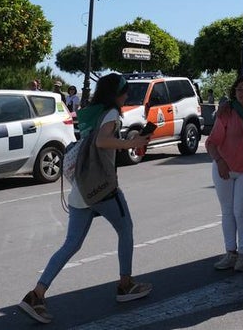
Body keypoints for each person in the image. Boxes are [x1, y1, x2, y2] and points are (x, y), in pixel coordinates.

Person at [17, 73, 153, 324]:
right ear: (117, 93)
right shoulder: (111, 113)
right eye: (124, 91)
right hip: (102, 187)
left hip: (83, 188)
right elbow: (102, 141)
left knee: (71, 244)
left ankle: (36, 294)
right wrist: (131, 142)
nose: (126, 95)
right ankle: (125, 285)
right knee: (126, 229)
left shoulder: (91, 111)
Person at [207, 74, 243, 272]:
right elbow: (211, 142)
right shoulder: (227, 112)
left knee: (241, 211)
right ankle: (230, 253)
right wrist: (219, 161)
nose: (242, 93)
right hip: (224, 168)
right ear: (234, 92)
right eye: (239, 89)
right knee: (228, 211)